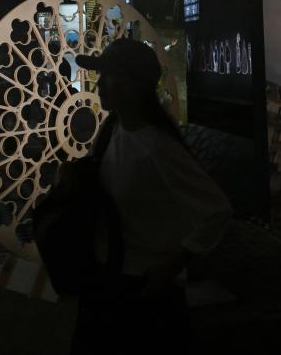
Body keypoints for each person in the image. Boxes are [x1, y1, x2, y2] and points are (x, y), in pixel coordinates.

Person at [70, 38, 232, 354]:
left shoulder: (157, 146)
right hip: (112, 278)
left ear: (134, 85)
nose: (99, 84)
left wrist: (170, 268)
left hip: (142, 290)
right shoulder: (114, 128)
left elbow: (217, 211)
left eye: (108, 75)